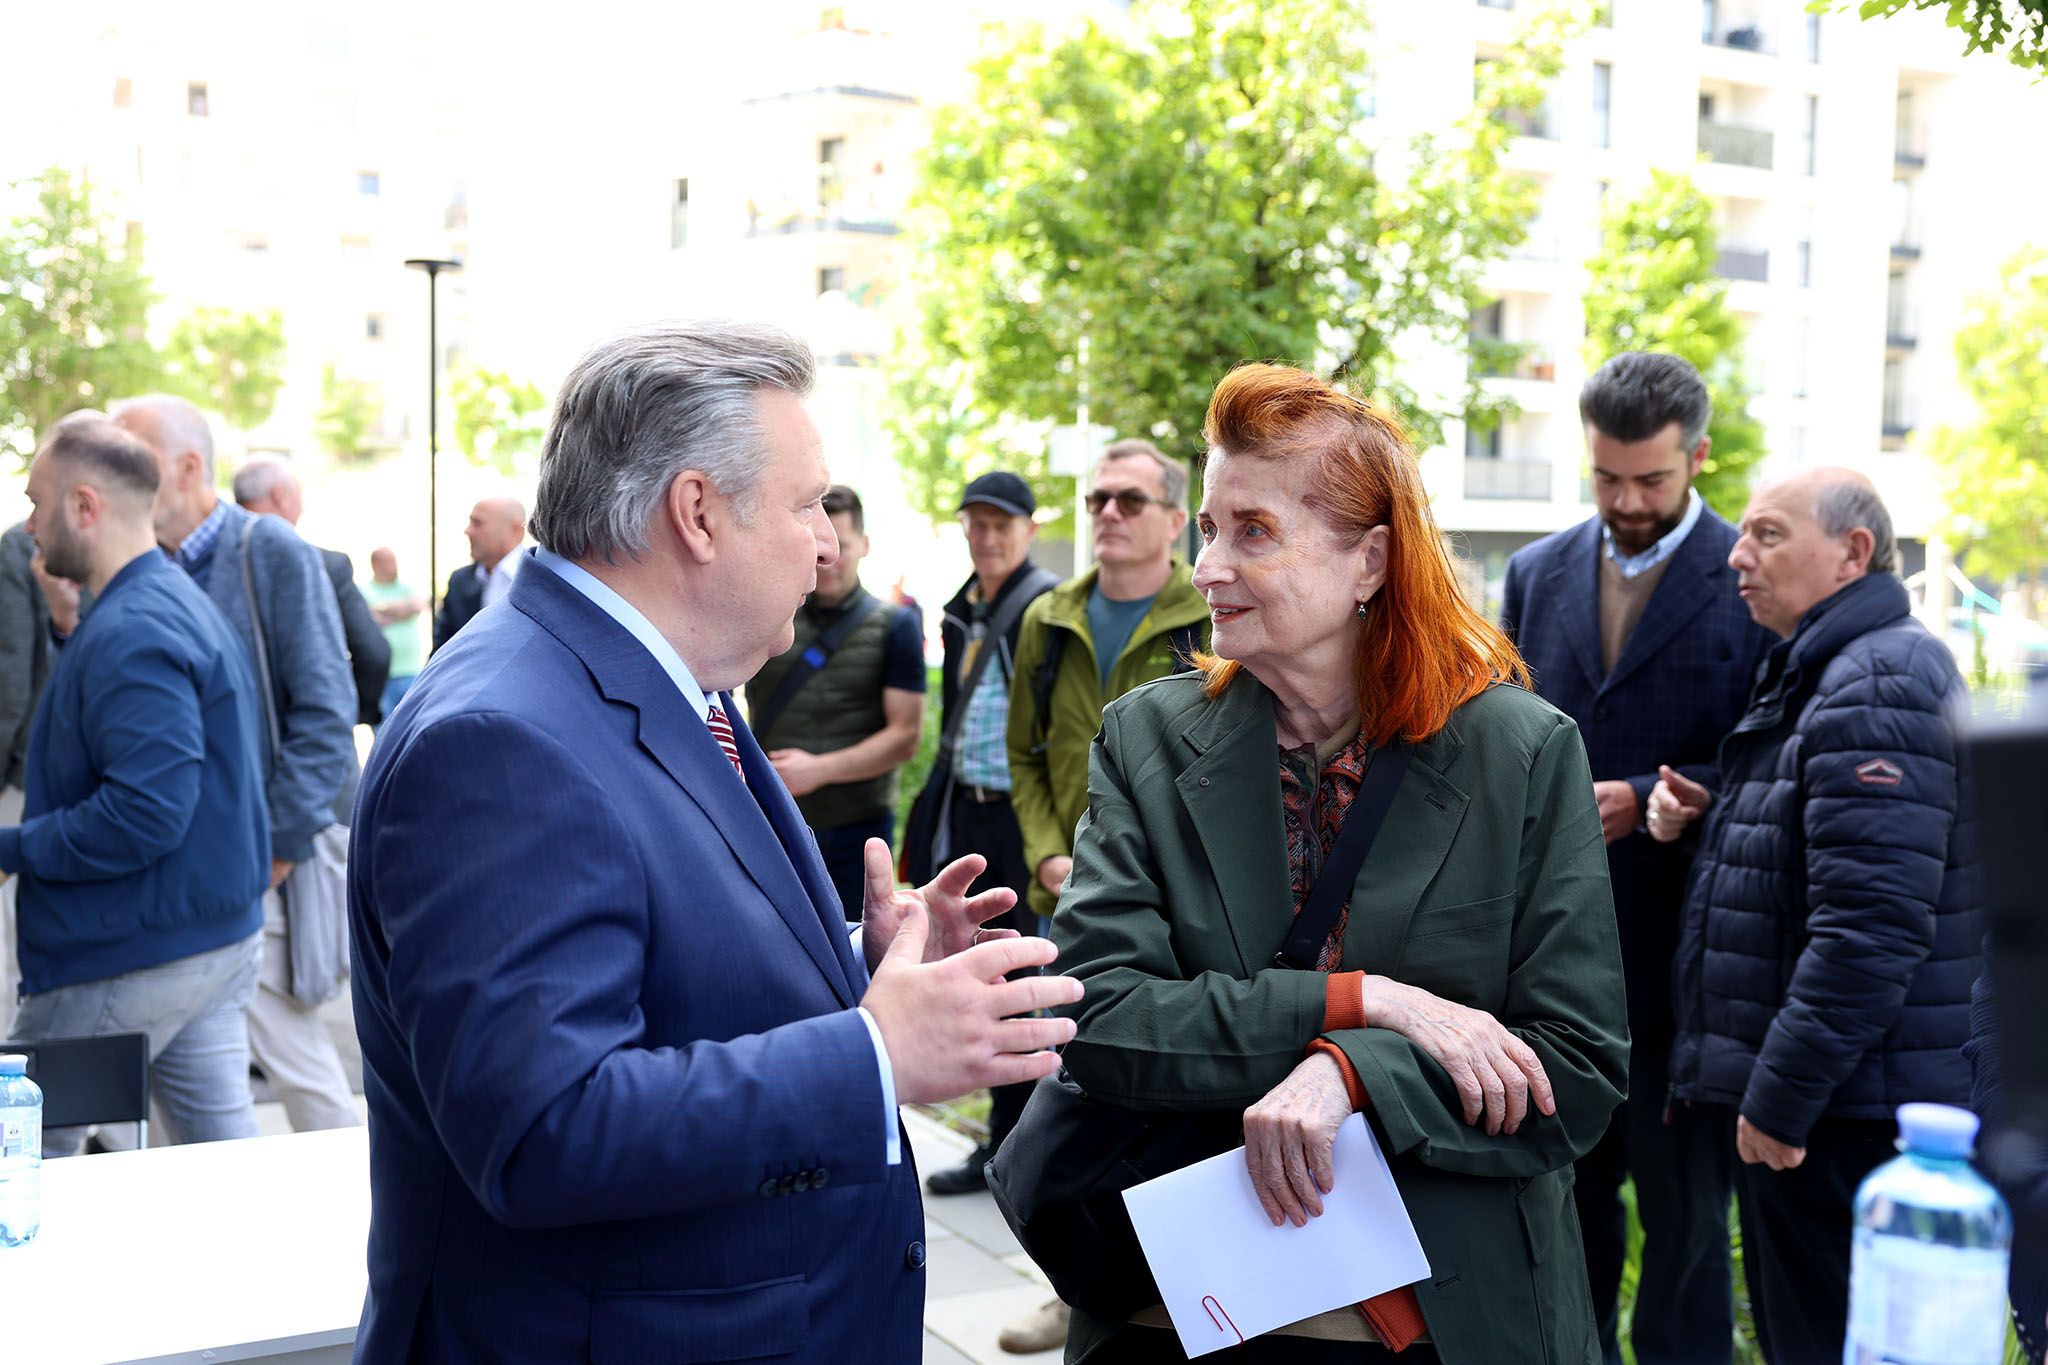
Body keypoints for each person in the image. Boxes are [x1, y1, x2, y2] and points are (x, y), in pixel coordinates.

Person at [347, 319, 1081, 1362]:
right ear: (695, 512)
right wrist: (876, 1051)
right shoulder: (502, 740)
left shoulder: (663, 679)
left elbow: (651, 958)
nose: (826, 542)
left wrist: (855, 962)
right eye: (805, 504)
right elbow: (544, 1129)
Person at [1050, 363, 1628, 1363]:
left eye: (1254, 532)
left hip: (1443, 1321)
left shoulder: (1521, 752)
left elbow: (1573, 1068)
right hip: (1180, 1313)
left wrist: (1350, 1072)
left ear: (1370, 561)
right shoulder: (1146, 741)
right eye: (1208, 528)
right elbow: (1098, 1020)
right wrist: (1358, 1003)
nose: (1206, 568)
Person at [1649, 468, 1981, 1365]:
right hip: (1838, 1106)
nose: (1737, 555)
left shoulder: (1879, 680)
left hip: (1843, 1120)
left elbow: (1870, 930)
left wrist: (1781, 1101)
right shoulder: (1833, 667)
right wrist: (1715, 821)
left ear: (1852, 552)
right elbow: (1830, 862)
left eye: (1767, 534)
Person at [1499, 352, 1772, 1365]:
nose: (1624, 500)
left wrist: (1678, 799)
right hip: (1553, 962)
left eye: (1648, 479)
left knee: (1687, 1221)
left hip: (1692, 964)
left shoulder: (1752, 576)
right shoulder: (1534, 572)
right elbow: (1501, 734)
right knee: (1563, 1207)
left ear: (1696, 459)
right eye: (1605, 476)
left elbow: (1776, 759)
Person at [0, 417, 269, 1151]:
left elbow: (144, 813)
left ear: (84, 506)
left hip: (127, 950)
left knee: (20, 1158)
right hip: (199, 937)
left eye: (36, 502)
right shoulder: (163, 602)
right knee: (221, 1159)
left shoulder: (136, 627)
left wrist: (13, 848)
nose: (30, 525)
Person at [999, 439, 1212, 1354]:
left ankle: (1175, 1278)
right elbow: (1025, 752)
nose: (1108, 514)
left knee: (1156, 1088)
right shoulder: (1049, 617)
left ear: (1174, 518)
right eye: (1097, 500)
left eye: (1129, 499)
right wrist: (1049, 852)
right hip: (1067, 891)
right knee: (1068, 1086)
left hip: (1168, 902)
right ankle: (1072, 1282)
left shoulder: (1208, 614)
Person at [112, 394, 362, 1133]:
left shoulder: (266, 550)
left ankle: (356, 1190)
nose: (117, 475)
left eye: (134, 459)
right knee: (181, 1073)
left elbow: (326, 711)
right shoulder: (136, 566)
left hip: (252, 870)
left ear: (189, 467)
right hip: (169, 872)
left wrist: (272, 852)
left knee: (292, 1056)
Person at [918, 470, 1059, 1196]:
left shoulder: (1043, 607)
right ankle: (1002, 1146)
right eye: (976, 523)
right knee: (987, 972)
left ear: (1030, 530)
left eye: (1002, 524)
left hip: (1021, 816)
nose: (988, 537)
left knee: (1022, 976)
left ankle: (1019, 1149)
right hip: (969, 810)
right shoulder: (963, 609)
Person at [746, 485, 927, 920]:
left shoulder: (896, 626)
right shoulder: (766, 613)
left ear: (865, 545)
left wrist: (818, 770)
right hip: (770, 816)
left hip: (857, 829)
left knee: (858, 947)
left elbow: (904, 737)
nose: (829, 558)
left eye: (843, 545)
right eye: (815, 539)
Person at [233, 455, 392, 727]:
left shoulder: (211, 567)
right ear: (280, 496)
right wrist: (347, 715)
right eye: (298, 494)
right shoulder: (326, 567)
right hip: (309, 730)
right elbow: (374, 654)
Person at [432, 496, 525, 651]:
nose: (467, 531)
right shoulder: (460, 582)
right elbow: (442, 649)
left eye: (478, 523)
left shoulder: (541, 581)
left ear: (515, 530)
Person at [361, 547, 427, 721]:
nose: (394, 566)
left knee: (412, 723)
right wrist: (401, 610)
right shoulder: (365, 591)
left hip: (410, 670)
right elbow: (366, 618)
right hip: (381, 675)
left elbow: (419, 605)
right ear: (375, 565)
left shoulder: (407, 587)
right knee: (383, 726)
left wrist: (381, 609)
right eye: (388, 562)